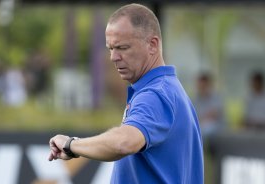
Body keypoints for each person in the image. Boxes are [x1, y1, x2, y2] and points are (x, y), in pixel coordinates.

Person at [48, 4, 204, 184]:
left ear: (152, 45)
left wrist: (71, 145)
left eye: (122, 47)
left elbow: (124, 142)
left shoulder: (155, 94)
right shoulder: (169, 89)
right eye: (110, 48)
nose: (113, 57)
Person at [193, 72, 225, 140]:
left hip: (216, 126)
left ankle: (200, 150)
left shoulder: (216, 97)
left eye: (203, 86)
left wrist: (201, 119)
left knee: (204, 129)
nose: (201, 88)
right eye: (200, 86)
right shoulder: (196, 99)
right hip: (201, 124)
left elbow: (213, 115)